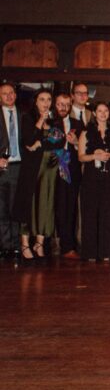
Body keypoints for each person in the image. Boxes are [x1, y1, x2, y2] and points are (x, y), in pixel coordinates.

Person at [12, 89, 64, 264]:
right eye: (42, 99)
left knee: (46, 204)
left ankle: (39, 243)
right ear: (36, 101)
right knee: (30, 204)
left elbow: (60, 140)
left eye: (49, 99)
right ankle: (25, 243)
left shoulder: (56, 120)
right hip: (32, 168)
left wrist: (40, 142)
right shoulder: (28, 118)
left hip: (50, 168)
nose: (46, 103)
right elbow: (28, 141)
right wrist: (40, 122)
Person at [78, 101, 110, 262]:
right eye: (100, 110)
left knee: (107, 212)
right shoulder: (86, 132)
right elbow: (81, 156)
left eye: (105, 111)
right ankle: (90, 252)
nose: (103, 113)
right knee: (90, 212)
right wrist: (95, 156)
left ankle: (106, 251)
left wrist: (109, 155)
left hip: (109, 175)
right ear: (94, 113)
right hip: (91, 175)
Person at [53, 91, 84, 259]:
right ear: (54, 105)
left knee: (70, 208)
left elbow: (85, 149)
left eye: (66, 104)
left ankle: (68, 246)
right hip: (50, 171)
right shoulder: (49, 123)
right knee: (54, 208)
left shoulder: (78, 124)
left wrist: (76, 142)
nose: (63, 108)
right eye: (60, 104)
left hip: (71, 170)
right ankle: (50, 244)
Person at [0, 82, 22, 260]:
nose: (8, 96)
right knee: (1, 209)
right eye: (4, 94)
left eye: (11, 93)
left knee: (16, 208)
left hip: (19, 167)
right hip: (1, 169)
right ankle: (4, 246)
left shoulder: (24, 115)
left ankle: (16, 247)